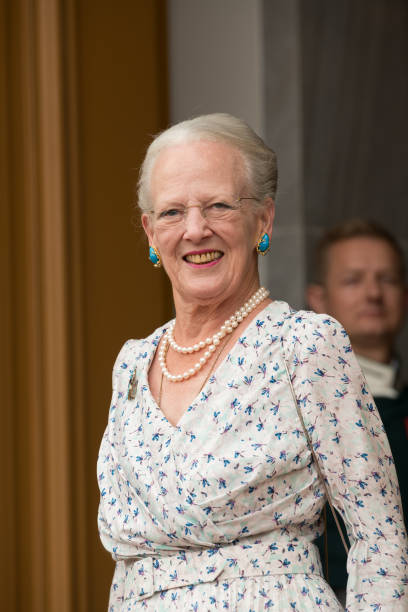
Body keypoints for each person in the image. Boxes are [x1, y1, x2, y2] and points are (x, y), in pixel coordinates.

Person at [97, 114, 407, 611]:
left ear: (263, 219)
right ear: (151, 233)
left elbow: (380, 539)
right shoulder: (132, 364)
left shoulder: (304, 345)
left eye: (218, 206)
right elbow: (128, 566)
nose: (195, 229)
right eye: (173, 212)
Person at [307, 219, 408, 603]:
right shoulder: (300, 407)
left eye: (387, 279)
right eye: (353, 280)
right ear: (318, 300)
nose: (373, 293)